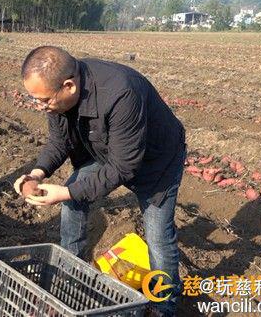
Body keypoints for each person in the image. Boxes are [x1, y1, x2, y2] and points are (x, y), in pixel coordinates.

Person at [13, 46, 186, 316]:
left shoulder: (120, 92)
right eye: (35, 99)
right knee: (73, 202)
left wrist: (67, 192)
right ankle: (70, 279)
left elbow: (124, 166)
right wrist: (36, 173)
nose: (40, 106)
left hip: (155, 161)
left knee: (158, 237)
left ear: (68, 86)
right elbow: (60, 143)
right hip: (105, 150)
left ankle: (164, 306)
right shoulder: (59, 93)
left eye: (44, 100)